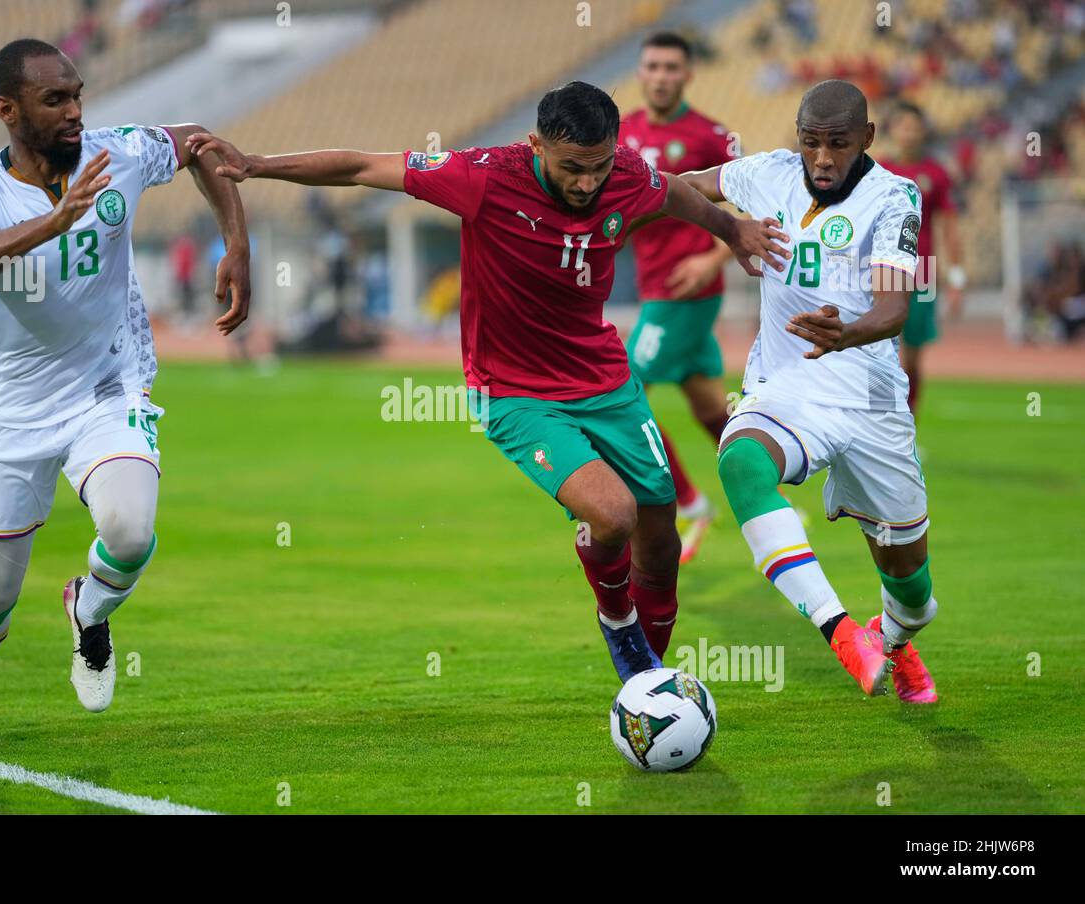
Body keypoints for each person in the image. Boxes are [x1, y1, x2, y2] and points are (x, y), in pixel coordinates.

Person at [185, 80, 787, 683]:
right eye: (572, 168)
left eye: (598, 167)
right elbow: (365, 166)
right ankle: (622, 632)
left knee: (659, 543)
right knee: (613, 516)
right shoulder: (484, 176)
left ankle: (649, 683)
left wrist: (731, 231)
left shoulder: (624, 172)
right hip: (516, 393)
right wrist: (258, 165)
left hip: (606, 380)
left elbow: (675, 194)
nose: (587, 183)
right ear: (535, 146)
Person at [0, 38, 250, 753]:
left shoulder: (120, 152)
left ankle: (91, 608)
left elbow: (200, 145)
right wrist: (55, 220)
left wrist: (236, 244)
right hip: (13, 406)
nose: (75, 112)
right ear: (7, 110)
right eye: (55, 100)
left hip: (108, 384)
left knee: (130, 532)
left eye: (77, 95)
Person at [677, 80, 939, 702]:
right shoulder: (766, 173)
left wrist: (847, 333)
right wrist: (727, 229)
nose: (821, 159)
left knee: (915, 596)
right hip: (787, 388)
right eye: (810, 143)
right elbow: (675, 186)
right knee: (740, 461)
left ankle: (892, 639)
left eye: (837, 145)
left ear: (867, 139)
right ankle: (842, 632)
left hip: (871, 401)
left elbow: (894, 308)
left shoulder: (894, 198)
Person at [619, 31, 738, 562]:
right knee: (710, 404)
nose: (662, 75)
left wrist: (712, 258)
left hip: (688, 294)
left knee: (617, 388)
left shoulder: (711, 135)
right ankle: (765, 487)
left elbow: (765, 208)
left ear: (687, 74)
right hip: (653, 290)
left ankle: (689, 503)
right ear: (641, 73)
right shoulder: (620, 134)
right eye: (653, 66)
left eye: (672, 67)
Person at [876, 101, 964, 412]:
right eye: (903, 126)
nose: (909, 133)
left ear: (923, 130)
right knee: (878, 348)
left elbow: (950, 226)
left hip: (923, 270)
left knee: (912, 354)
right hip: (884, 269)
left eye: (914, 126)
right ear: (893, 130)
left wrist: (956, 278)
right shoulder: (878, 171)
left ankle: (908, 424)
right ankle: (879, 423)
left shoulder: (936, 174)